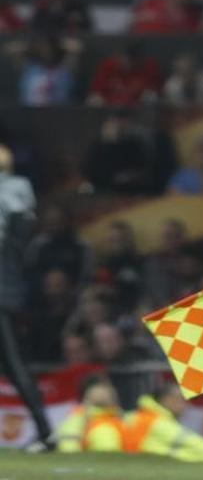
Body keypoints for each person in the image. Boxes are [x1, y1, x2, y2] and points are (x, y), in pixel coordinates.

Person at [0, 144, 53, 451]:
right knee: (13, 365)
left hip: (2, 290)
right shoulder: (20, 197)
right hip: (6, 288)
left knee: (15, 364)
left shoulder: (10, 195)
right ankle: (46, 432)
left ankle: (47, 432)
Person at [125, 383, 203, 462]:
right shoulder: (162, 424)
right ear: (168, 399)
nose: (186, 404)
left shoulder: (135, 416)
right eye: (181, 399)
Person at [54, 375, 125, 453]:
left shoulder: (120, 416)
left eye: (107, 388)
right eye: (101, 389)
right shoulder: (78, 418)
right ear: (87, 394)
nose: (105, 393)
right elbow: (68, 447)